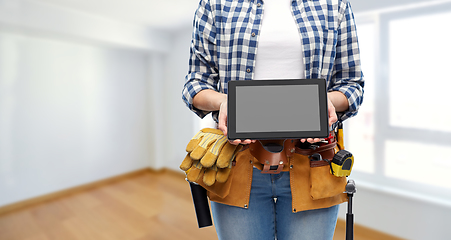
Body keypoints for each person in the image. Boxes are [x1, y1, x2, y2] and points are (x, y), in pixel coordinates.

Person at [182, 0, 364, 239]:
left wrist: (324, 102)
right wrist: (223, 102)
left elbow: (352, 85)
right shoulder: (215, 4)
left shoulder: (335, 4)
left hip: (313, 161)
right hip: (238, 160)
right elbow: (195, 85)